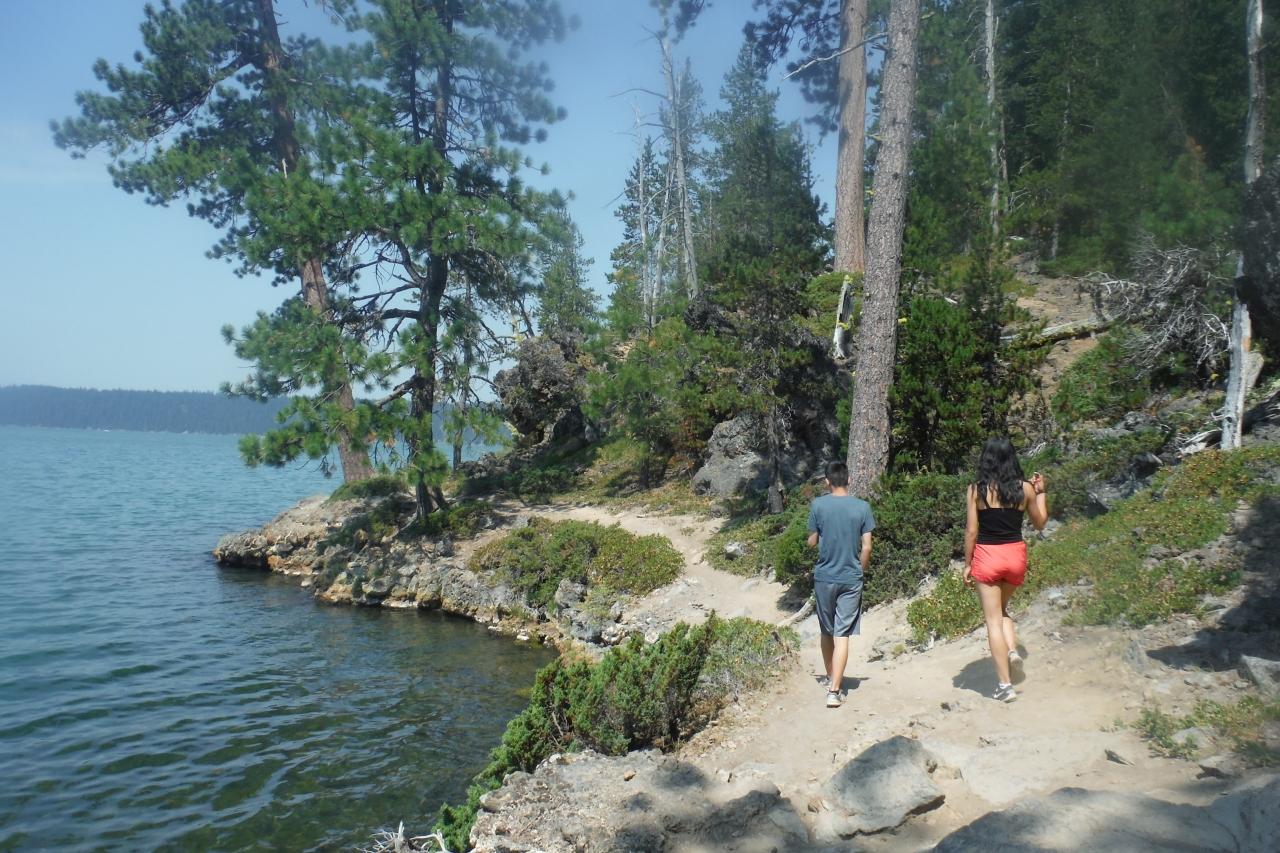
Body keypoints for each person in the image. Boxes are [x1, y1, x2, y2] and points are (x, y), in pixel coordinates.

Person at [963, 437, 1048, 703]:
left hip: (988, 556)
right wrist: (1041, 492)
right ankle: (1011, 650)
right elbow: (1040, 523)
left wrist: (967, 563)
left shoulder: (976, 490)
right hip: (1015, 556)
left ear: (986, 458)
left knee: (992, 621)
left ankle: (1004, 685)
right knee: (1001, 611)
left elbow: (972, 531)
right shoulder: (1026, 489)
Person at [806, 461, 876, 708]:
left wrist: (814, 536)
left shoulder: (818, 505)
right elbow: (867, 546)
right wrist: (860, 570)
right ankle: (834, 690)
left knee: (827, 631)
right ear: (849, 479)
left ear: (827, 481)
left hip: (825, 577)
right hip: (851, 577)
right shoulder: (863, 507)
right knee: (842, 633)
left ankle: (830, 678)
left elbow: (812, 542)